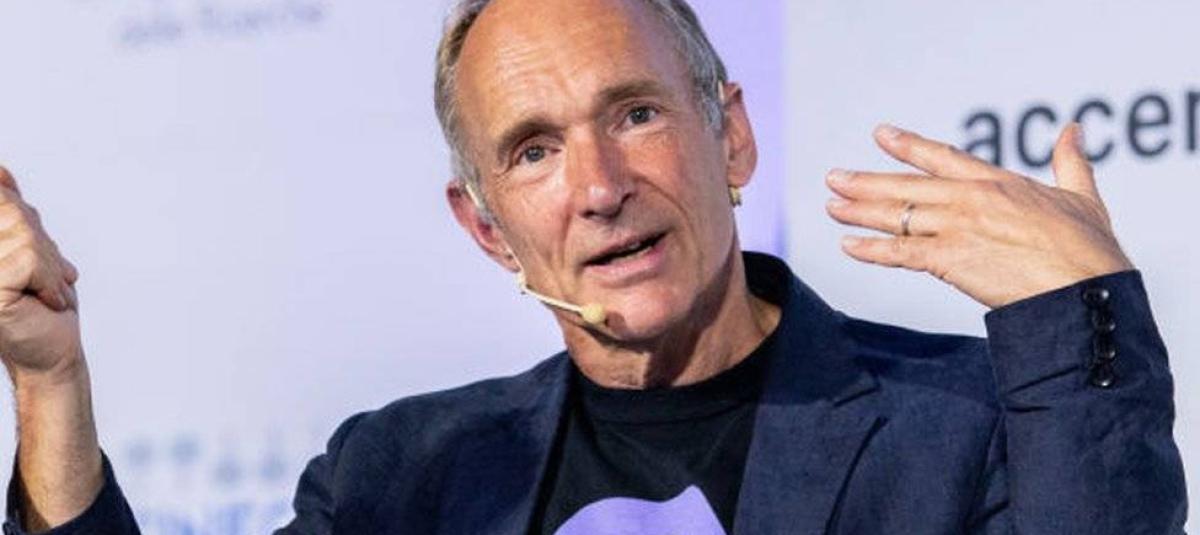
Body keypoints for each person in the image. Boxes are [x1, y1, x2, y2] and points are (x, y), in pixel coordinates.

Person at [0, 0, 1186, 532]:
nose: (600, 185)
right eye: (534, 149)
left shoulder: (972, 423)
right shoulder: (401, 482)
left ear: (730, 138)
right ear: (485, 227)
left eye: (634, 114)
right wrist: (52, 385)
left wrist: (1073, 317)